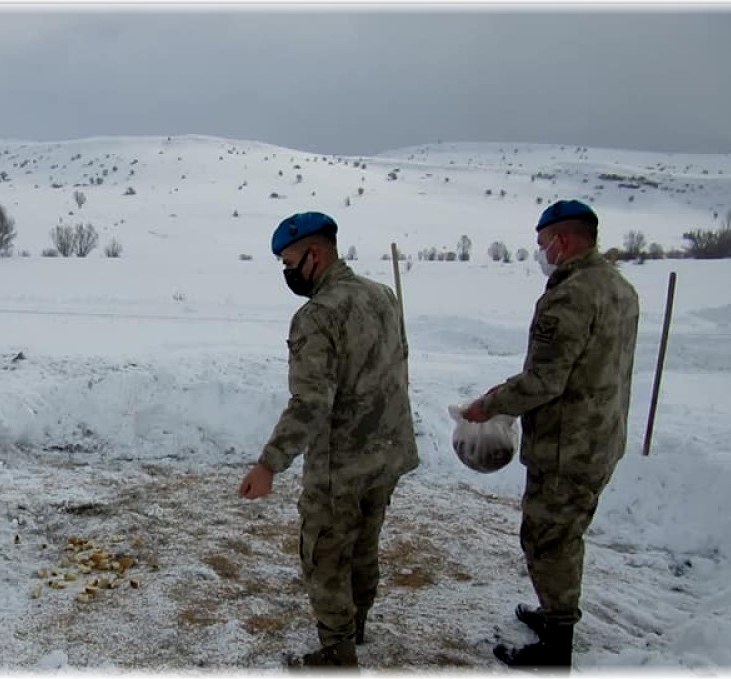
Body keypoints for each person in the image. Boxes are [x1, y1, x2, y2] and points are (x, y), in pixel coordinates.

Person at [461, 199, 639, 669]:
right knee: (564, 532)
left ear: (564, 239)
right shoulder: (618, 287)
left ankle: (556, 644)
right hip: (600, 435)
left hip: (568, 446)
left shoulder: (571, 295)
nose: (541, 252)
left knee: (548, 539)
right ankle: (552, 612)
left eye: (543, 243)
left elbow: (546, 380)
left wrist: (491, 405)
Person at [238, 211, 419, 667]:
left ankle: (338, 652)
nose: (286, 272)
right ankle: (355, 627)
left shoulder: (317, 316)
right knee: (364, 543)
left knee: (325, 553)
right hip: (387, 453)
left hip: (343, 463)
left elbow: (311, 403)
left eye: (289, 262)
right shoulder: (382, 296)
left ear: (314, 255)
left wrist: (268, 464)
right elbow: (400, 362)